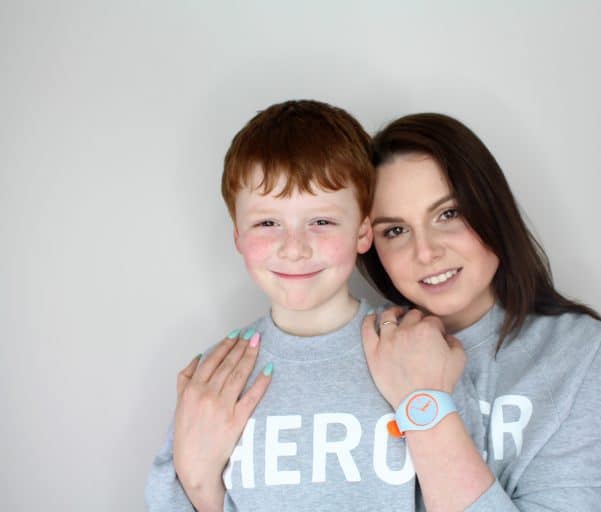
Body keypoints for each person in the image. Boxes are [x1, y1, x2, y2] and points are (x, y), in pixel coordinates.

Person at [357, 112, 601, 511]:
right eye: (395, 231)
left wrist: (423, 403)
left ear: (491, 209)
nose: (425, 252)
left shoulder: (577, 352)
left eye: (448, 214)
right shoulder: (362, 345)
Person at [145, 100, 420, 511]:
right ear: (238, 236)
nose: (294, 248)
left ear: (363, 232)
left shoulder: (414, 347)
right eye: (267, 223)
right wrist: (199, 483)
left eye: (321, 221)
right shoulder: (218, 378)